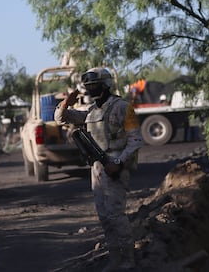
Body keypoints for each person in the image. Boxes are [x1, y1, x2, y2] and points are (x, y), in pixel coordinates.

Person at [54, 67, 144, 271]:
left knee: (116, 216)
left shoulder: (123, 107)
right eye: (88, 86)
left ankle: (128, 260)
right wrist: (66, 103)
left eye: (94, 85)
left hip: (115, 168)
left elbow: (136, 141)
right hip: (97, 168)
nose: (91, 89)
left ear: (105, 85)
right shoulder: (92, 111)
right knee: (104, 217)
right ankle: (115, 259)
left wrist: (119, 162)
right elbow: (61, 118)